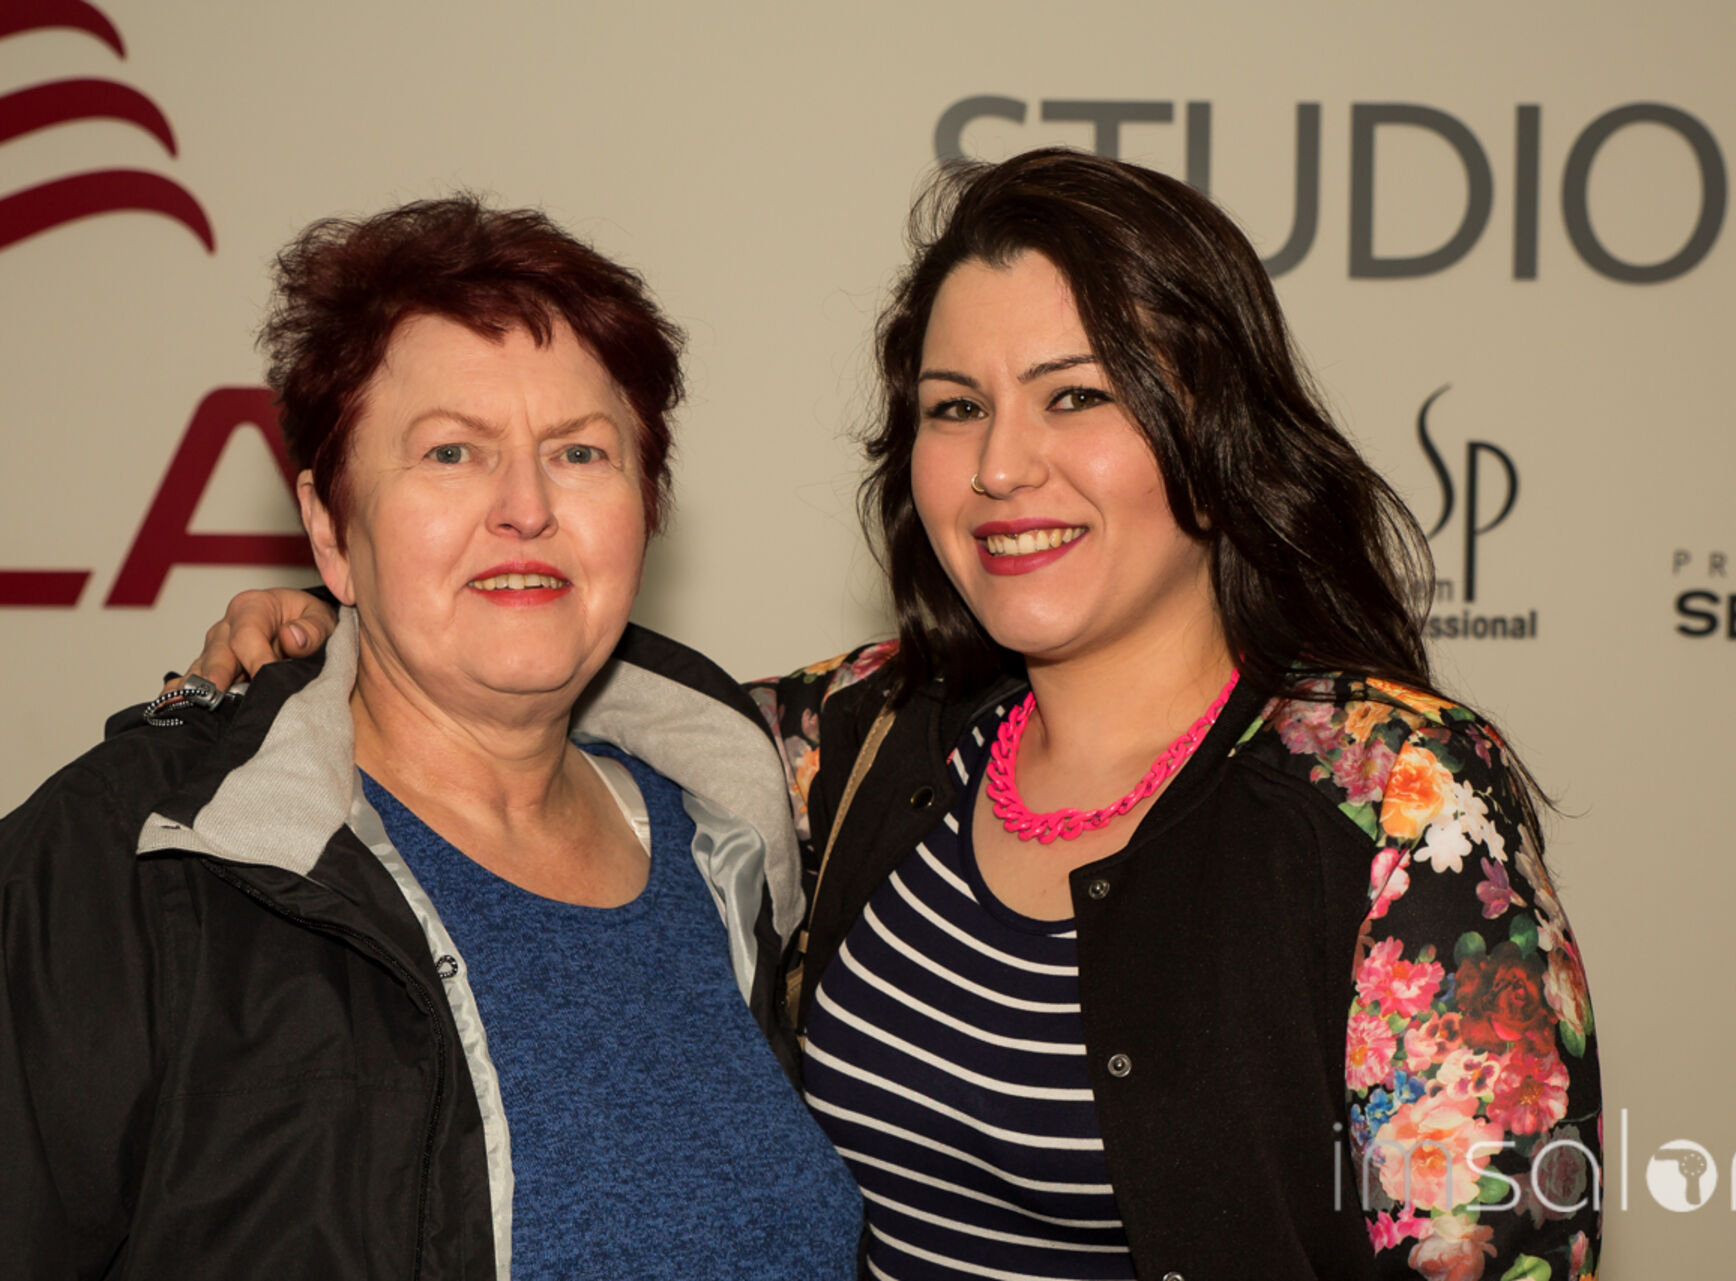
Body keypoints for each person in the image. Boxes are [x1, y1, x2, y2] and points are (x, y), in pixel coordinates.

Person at [177, 150, 1602, 1281]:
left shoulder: (1396, 798)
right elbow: (520, 687)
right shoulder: (858, 741)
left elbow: (1509, 1248)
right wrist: (323, 629)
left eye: (1076, 397)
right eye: (954, 407)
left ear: (1216, 442)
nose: (1003, 467)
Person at [0, 196, 862, 1279]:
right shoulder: (124, 869)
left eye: (581, 452)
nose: (526, 507)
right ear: (330, 528)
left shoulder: (725, 844)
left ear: (647, 504)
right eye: (452, 452)